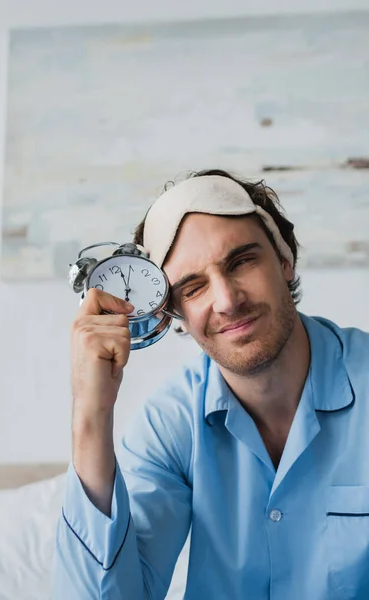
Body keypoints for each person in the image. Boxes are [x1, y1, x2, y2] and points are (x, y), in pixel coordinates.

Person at [53, 169, 369, 600]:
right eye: (194, 286)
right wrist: (91, 413)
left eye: (241, 262)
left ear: (284, 261)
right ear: (173, 313)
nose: (227, 300)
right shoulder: (171, 423)